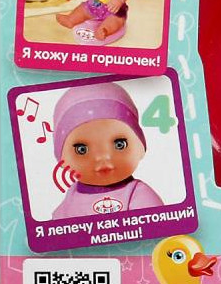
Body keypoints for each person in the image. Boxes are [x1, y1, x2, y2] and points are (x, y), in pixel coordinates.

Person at [51, 82, 162, 219]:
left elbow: (159, 226)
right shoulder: (71, 198)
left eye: (119, 144)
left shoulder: (137, 194)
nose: (103, 157)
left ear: (140, 146)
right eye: (82, 149)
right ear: (62, 159)